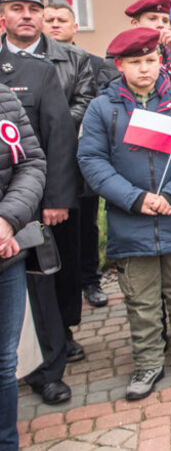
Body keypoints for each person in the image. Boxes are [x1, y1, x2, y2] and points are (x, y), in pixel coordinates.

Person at [78, 28, 171, 401]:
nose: (144, 69)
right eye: (135, 62)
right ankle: (148, 360)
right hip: (131, 221)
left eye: (150, 60)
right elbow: (91, 160)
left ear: (161, 61)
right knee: (141, 299)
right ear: (120, 65)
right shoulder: (102, 108)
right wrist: (135, 198)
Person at [0, 0, 85, 404]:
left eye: (33, 9)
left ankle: (48, 369)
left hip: (32, 202)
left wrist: (55, 198)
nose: (27, 16)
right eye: (17, 9)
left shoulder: (42, 70)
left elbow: (58, 137)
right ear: (3, 17)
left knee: (42, 285)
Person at [41, 1, 109, 310]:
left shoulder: (91, 63)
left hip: (81, 158)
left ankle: (90, 280)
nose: (54, 24)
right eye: (49, 19)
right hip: (40, 161)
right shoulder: (30, 64)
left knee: (86, 226)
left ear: (74, 26)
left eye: (61, 19)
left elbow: (91, 106)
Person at [0, 83, 47, 449]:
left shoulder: (5, 97)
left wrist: (8, 219)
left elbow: (30, 161)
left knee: (3, 360)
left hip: (6, 250)